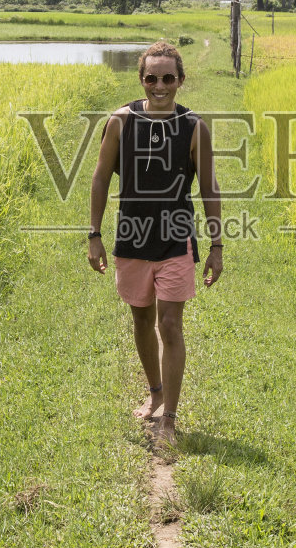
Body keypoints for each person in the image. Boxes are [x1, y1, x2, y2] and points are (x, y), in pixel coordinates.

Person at [87, 40, 222, 443]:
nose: (159, 85)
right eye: (151, 77)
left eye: (167, 78)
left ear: (180, 80)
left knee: (171, 324)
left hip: (175, 239)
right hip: (131, 237)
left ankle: (170, 420)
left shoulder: (193, 128)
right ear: (141, 79)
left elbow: (209, 188)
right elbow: (99, 178)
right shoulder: (120, 121)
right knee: (142, 319)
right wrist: (94, 235)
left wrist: (216, 247)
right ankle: (156, 393)